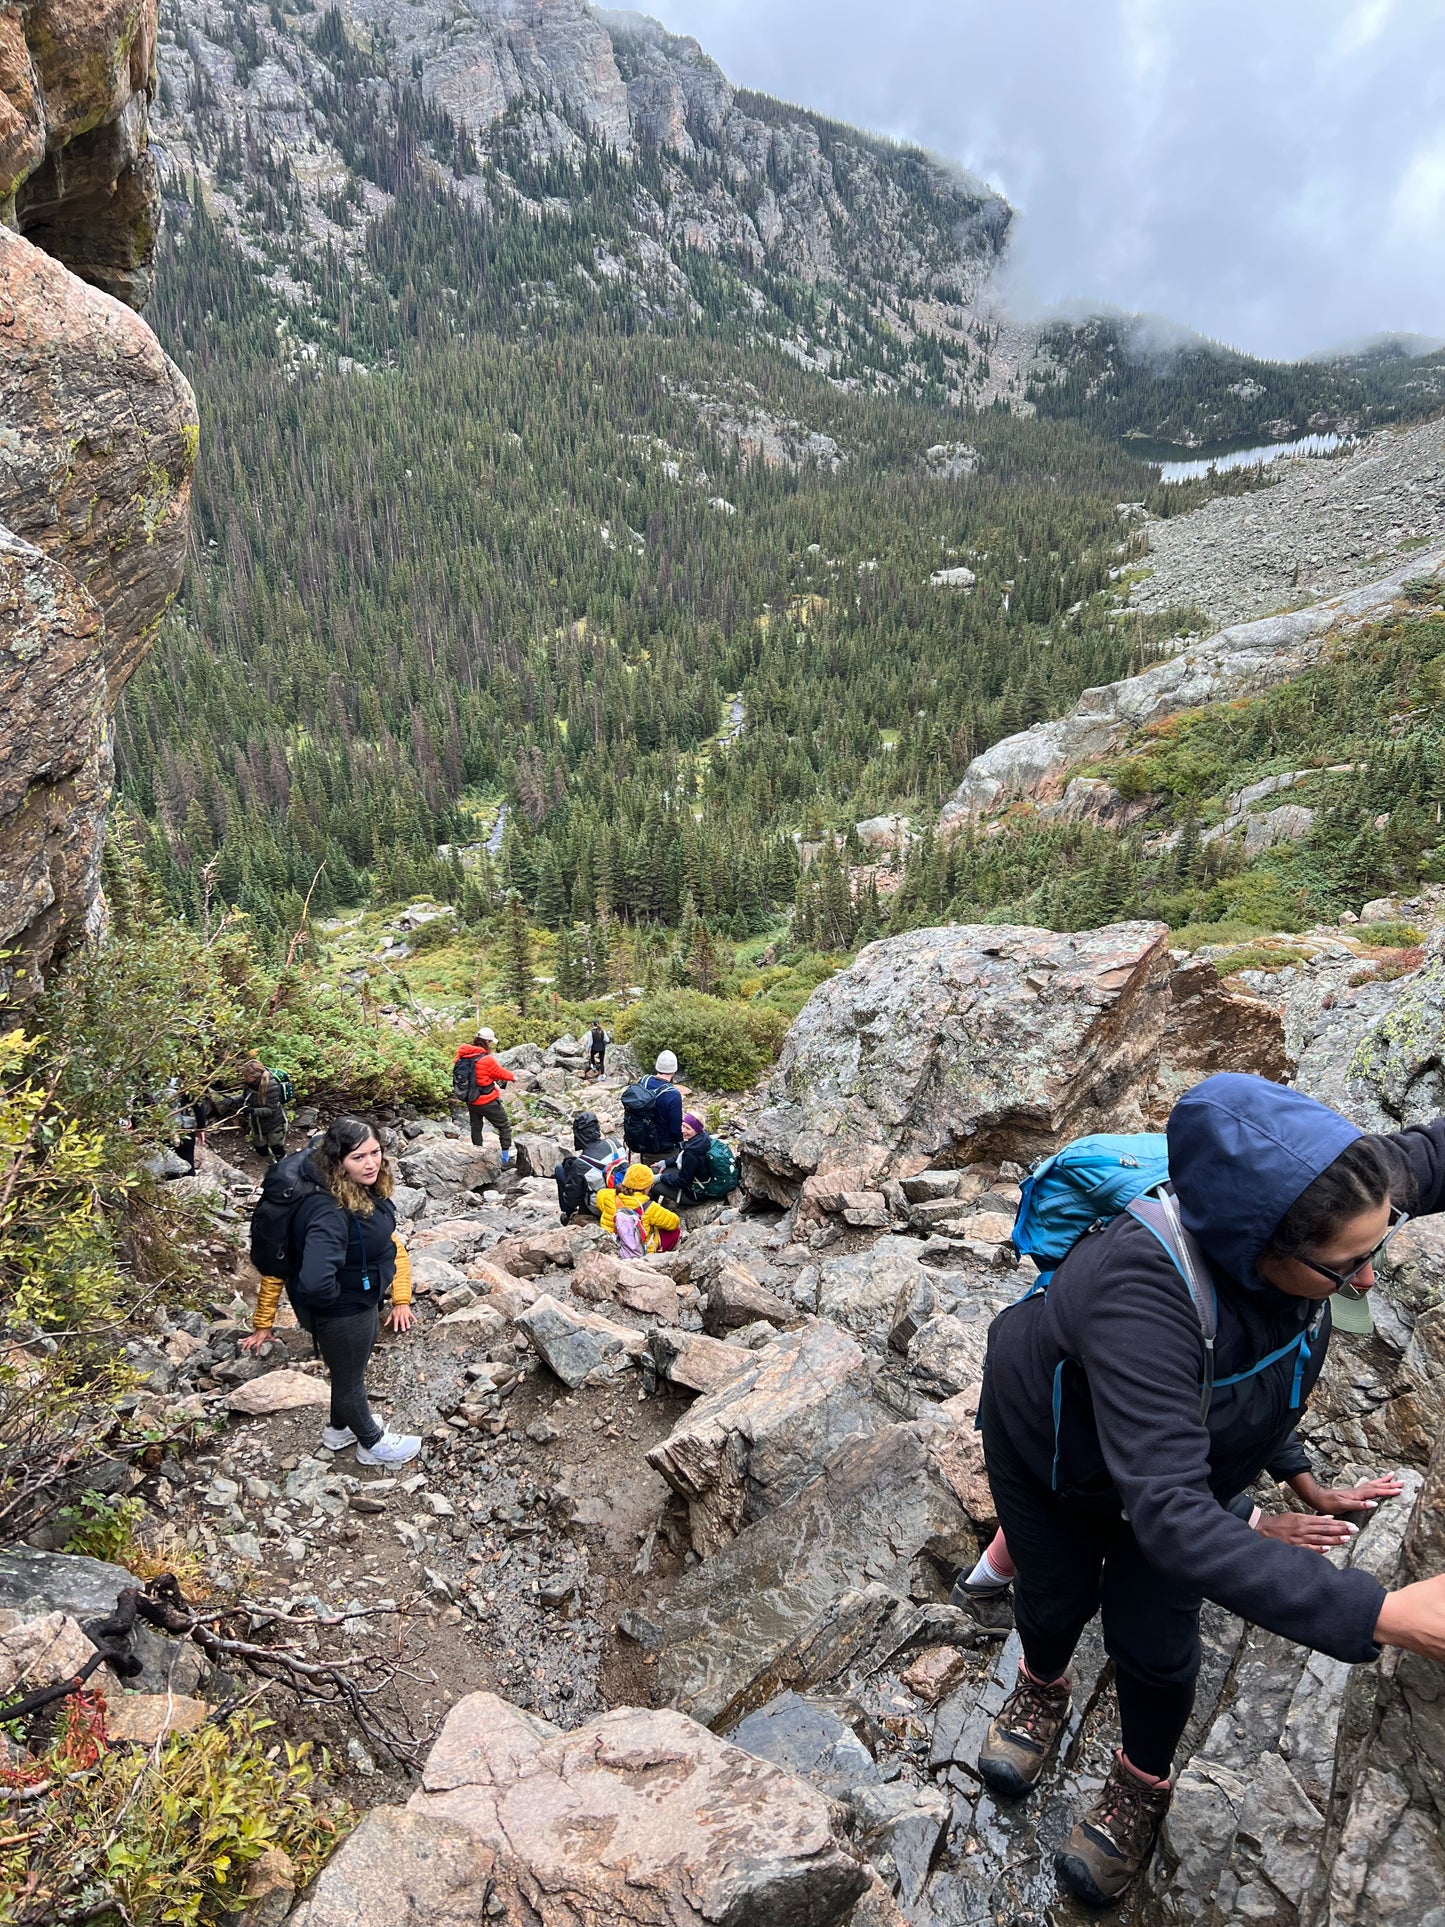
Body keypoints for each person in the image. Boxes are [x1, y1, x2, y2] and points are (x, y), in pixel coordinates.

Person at [975, 1072, 1445, 1908]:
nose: (1368, 1280)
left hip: (1171, 1461)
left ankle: (1139, 1780)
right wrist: (1375, 1612)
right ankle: (1041, 1684)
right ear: (1256, 1246)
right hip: (1053, 1457)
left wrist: (1298, 1476)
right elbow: (1172, 1514)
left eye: (1376, 1247)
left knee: (1155, 1644)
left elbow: (1251, 1378)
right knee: (1054, 1596)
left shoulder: (1338, 1200)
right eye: (1347, 1267)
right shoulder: (1139, 1289)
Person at [240, 1116, 420, 1467]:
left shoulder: (350, 1188)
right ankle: (372, 1443)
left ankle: (339, 1429)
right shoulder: (328, 1210)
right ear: (338, 1160)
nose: (370, 1163)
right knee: (351, 1380)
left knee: (345, 1371)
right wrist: (340, 1305)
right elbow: (316, 1280)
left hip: (354, 1303)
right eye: (358, 1157)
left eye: (375, 1152)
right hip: (344, 1310)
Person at [452, 1028, 515, 1166]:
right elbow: (499, 1073)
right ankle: (505, 1158)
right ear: (487, 1042)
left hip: (471, 1099)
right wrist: (513, 1077)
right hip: (487, 1100)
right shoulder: (486, 1059)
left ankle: (478, 1152)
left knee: (476, 1126)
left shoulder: (461, 1056)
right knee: (504, 1126)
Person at [598, 1161, 681, 1255]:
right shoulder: (649, 1207)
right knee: (674, 1231)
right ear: (647, 1187)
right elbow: (674, 1222)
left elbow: (599, 1200)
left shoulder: (606, 1195)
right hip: (639, 1251)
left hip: (612, 1244)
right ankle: (655, 1254)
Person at [555, 1111, 624, 1223]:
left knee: (560, 1170)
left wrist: (571, 1172)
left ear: (578, 1135)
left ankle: (569, 1215)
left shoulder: (581, 1164)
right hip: (625, 1195)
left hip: (602, 1207)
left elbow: (572, 1200)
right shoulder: (614, 1143)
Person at [621, 1051, 683, 1162]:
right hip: (663, 1150)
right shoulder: (673, 1095)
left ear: (657, 1067)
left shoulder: (643, 1081)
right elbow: (675, 1130)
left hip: (641, 1143)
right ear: (674, 1070)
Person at [656, 1112, 712, 1206]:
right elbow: (681, 1155)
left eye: (688, 1128)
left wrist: (660, 1177)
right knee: (655, 1171)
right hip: (695, 1181)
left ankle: (654, 1209)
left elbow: (681, 1181)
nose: (683, 1130)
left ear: (697, 1130)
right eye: (683, 1126)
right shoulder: (700, 1140)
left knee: (652, 1183)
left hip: (693, 1194)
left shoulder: (692, 1154)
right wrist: (665, 1163)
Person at [239, 1058, 289, 1163]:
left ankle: (282, 1166)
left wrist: (252, 1111)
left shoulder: (272, 1085)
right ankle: (271, 1165)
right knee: (261, 1149)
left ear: (254, 1076)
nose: (243, 1078)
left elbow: (271, 1110)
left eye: (246, 1076)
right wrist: (232, 1100)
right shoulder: (250, 1084)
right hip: (258, 1125)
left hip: (274, 1124)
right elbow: (247, 1097)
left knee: (277, 1149)